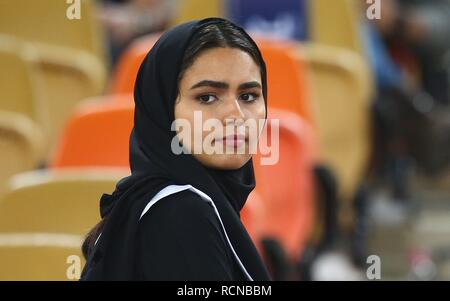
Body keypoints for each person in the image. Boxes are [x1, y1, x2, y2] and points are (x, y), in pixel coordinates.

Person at [80, 17, 271, 281]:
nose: (235, 116)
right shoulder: (181, 215)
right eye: (206, 97)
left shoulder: (164, 204)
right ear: (163, 110)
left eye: (248, 96)